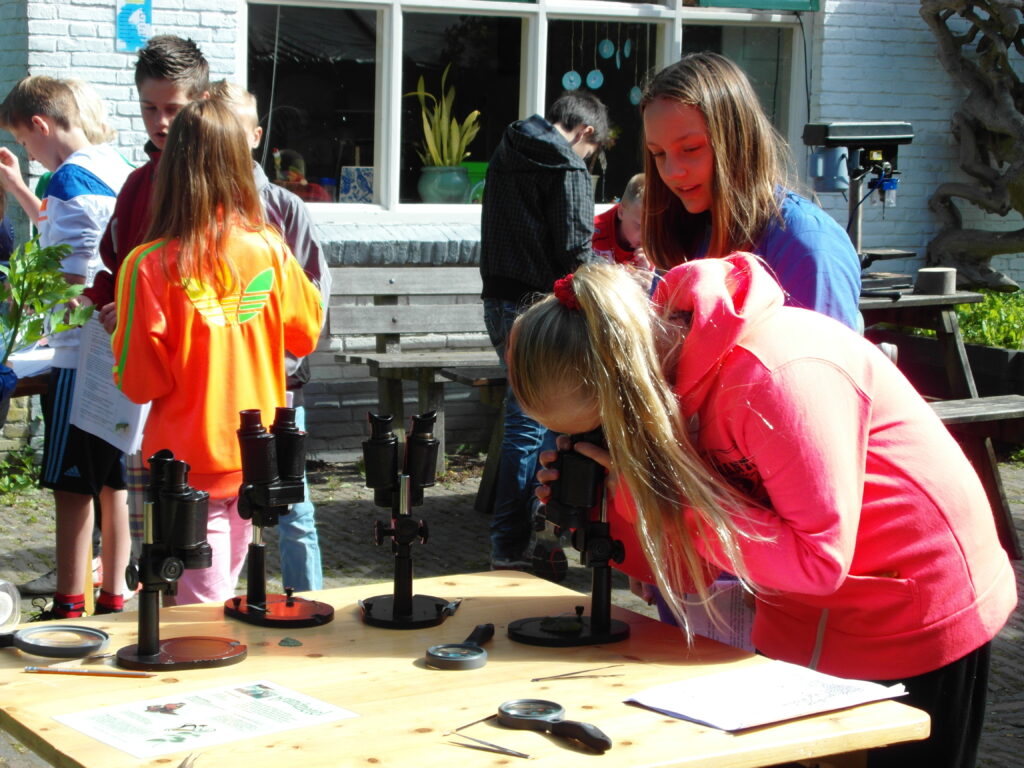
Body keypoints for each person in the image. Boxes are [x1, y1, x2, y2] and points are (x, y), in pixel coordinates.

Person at [511, 255, 1016, 768]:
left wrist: (665, 505)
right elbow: (694, 570)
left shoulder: (778, 374)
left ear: (629, 386)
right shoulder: (667, 382)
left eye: (599, 424)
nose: (589, 440)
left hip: (916, 607)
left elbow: (816, 560)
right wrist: (610, 502)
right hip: (798, 612)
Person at [110, 99, 324, 606]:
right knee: (220, 602)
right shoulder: (269, 246)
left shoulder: (148, 265)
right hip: (256, 457)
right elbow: (306, 335)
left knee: (199, 619)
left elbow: (140, 383)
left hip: (185, 466)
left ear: (175, 166)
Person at [0, 76, 132, 619]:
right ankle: (115, 592)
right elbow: (77, 235)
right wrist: (19, 190)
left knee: (70, 485)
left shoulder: (64, 178)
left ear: (40, 125)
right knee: (114, 479)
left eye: (25, 145)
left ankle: (68, 603)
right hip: (120, 354)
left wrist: (40, 315)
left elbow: (72, 267)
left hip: (79, 356)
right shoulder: (113, 169)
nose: (29, 155)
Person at [82, 35, 210, 555]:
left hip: (200, 377)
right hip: (144, 378)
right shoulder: (138, 183)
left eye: (173, 110)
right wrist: (105, 301)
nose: (160, 122)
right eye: (149, 108)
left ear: (200, 104)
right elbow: (117, 261)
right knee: (152, 532)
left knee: (200, 530)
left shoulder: (220, 180)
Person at [479, 90, 610, 572]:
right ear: (587, 133)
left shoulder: (508, 147)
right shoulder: (568, 167)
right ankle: (513, 545)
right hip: (540, 310)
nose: (588, 162)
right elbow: (577, 254)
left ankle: (516, 538)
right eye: (592, 155)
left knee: (524, 424)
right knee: (536, 425)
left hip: (497, 301)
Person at [209, 79, 331, 593]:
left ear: (255, 135)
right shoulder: (198, 211)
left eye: (240, 133)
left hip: (277, 386)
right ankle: (221, 601)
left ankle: (309, 602)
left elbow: (314, 294)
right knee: (222, 507)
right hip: (219, 392)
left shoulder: (283, 208)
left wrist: (277, 361)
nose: (231, 147)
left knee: (293, 505)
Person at [641, 52, 862, 331]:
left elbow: (822, 368)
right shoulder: (685, 230)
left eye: (691, 149)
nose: (672, 172)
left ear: (738, 139)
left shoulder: (806, 242)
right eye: (658, 154)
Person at [592, 172, 650, 270]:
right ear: (621, 212)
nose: (645, 236)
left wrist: (648, 273)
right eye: (638, 226)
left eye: (652, 229)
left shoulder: (655, 244)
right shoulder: (592, 233)